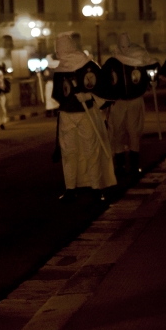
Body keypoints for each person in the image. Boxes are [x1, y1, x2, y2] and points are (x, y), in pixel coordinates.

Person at [51, 31, 117, 202]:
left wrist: (90, 96)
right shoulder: (60, 70)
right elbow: (59, 93)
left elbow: (103, 87)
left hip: (86, 114)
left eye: (61, 50)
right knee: (69, 153)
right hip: (67, 115)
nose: (60, 54)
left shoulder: (88, 65)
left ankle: (96, 187)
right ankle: (70, 188)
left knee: (91, 151)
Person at [101, 33, 158, 176]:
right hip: (118, 103)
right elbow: (103, 80)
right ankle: (119, 165)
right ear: (118, 46)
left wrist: (153, 79)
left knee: (134, 132)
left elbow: (152, 71)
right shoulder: (112, 63)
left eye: (127, 46)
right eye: (122, 46)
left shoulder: (138, 59)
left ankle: (134, 165)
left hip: (135, 101)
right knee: (117, 133)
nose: (125, 49)